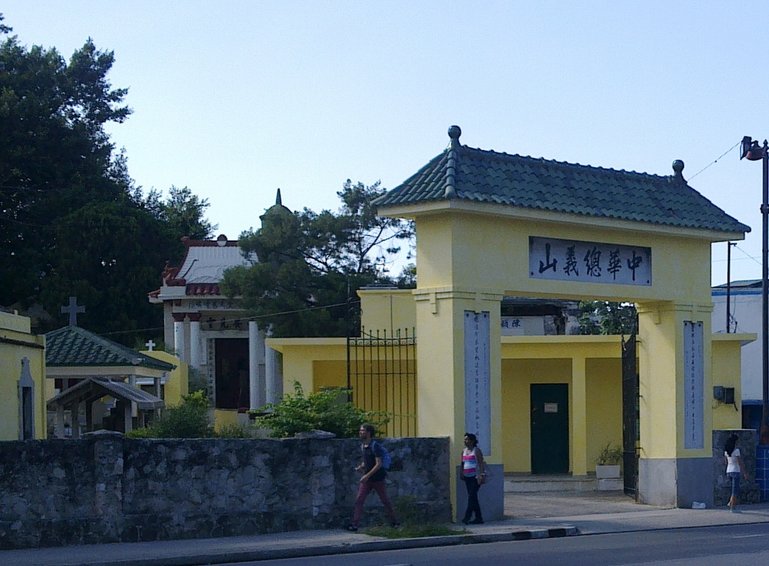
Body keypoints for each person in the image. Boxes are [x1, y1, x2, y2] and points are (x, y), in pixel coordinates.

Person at [347, 423, 399, 531]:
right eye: (360, 431)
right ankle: (354, 525)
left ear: (369, 433)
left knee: (385, 500)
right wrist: (360, 467)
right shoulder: (363, 446)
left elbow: (378, 464)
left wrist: (366, 475)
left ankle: (395, 522)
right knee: (359, 500)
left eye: (363, 431)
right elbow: (367, 461)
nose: (360, 432)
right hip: (367, 479)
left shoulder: (375, 446)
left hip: (378, 479)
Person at [460, 432, 486, 524]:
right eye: (465, 439)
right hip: (467, 477)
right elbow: (462, 463)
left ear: (472, 441)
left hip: (475, 477)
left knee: (471, 496)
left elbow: (480, 463)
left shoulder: (476, 450)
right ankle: (479, 518)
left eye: (467, 439)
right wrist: (461, 472)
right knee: (473, 497)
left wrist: (482, 475)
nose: (465, 441)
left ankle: (467, 517)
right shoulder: (463, 451)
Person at [725, 433, 747, 513]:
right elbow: (740, 463)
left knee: (733, 490)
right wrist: (744, 473)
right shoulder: (736, 451)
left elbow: (726, 462)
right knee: (735, 491)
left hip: (729, 471)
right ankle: (732, 507)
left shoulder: (727, 451)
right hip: (735, 471)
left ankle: (730, 503)